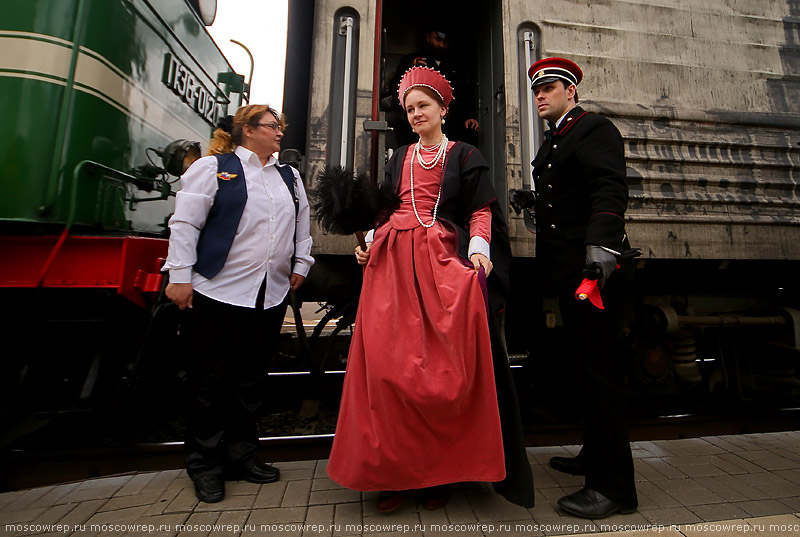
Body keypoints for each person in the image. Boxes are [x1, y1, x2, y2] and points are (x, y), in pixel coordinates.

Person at [327, 66, 533, 512]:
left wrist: (479, 251)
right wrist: (365, 244)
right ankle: (396, 474)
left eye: (424, 105)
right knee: (388, 373)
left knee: (440, 378)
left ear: (443, 109)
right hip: (392, 264)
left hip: (441, 263)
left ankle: (438, 472)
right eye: (409, 108)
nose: (416, 113)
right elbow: (383, 211)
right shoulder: (398, 157)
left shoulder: (464, 155)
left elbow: (480, 211)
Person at [162, 104, 314, 503]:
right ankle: (205, 466)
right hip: (218, 291)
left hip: (269, 293)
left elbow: (302, 224)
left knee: (250, 380)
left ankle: (241, 456)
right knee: (209, 382)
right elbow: (185, 223)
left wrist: (301, 263)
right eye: (272, 126)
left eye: (281, 126)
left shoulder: (290, 177)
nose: (280, 133)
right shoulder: (213, 168)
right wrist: (179, 276)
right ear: (248, 130)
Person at [509, 57, 638, 518]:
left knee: (600, 377)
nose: (540, 95)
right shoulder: (560, 136)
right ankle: (593, 458)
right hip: (569, 274)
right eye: (537, 90)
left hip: (592, 274)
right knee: (584, 369)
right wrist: (534, 199)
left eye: (549, 88)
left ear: (571, 92)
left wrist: (602, 247)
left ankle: (615, 489)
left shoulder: (592, 128)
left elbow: (609, 186)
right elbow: (571, 191)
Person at [386, 27, 480, 147]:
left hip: (449, 125)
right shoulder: (411, 60)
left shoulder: (455, 65)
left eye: (445, 42)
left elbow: (463, 92)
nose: (441, 45)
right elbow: (396, 90)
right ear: (428, 37)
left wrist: (468, 116)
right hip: (417, 128)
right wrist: (412, 69)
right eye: (438, 39)